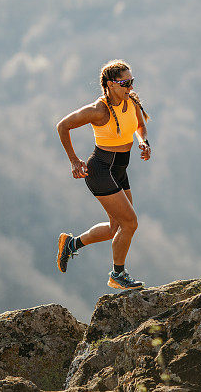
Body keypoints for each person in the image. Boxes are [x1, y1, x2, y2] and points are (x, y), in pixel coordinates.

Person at [55, 59, 151, 290]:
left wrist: (143, 141)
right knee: (130, 223)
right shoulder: (98, 110)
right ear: (110, 84)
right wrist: (74, 160)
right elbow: (62, 126)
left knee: (115, 228)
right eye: (124, 82)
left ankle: (71, 244)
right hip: (100, 170)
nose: (129, 87)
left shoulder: (132, 101)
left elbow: (139, 125)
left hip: (119, 169)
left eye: (131, 81)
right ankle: (117, 274)